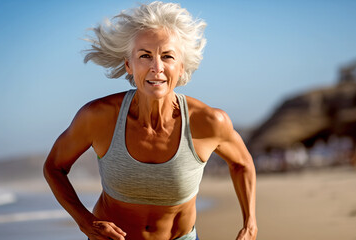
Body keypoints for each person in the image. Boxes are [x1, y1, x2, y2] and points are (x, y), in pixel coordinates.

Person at [43, 1, 257, 240]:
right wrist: (85, 222)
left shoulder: (209, 122)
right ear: (129, 65)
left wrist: (250, 225)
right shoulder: (99, 117)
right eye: (145, 56)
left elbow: (242, 164)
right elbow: (54, 167)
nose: (157, 67)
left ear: (181, 66)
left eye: (167, 56)